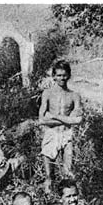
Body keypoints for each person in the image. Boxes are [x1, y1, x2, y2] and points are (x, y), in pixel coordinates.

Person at [39, 60, 83, 191]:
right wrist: (68, 120)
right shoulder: (47, 93)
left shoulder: (74, 95)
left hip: (66, 134)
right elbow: (42, 120)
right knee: (49, 177)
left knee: (67, 173)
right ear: (53, 76)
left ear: (69, 75)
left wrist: (54, 116)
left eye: (64, 75)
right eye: (58, 75)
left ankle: (67, 197)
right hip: (51, 133)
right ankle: (48, 198)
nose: (62, 78)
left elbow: (78, 120)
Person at [0, 17, 35, 88]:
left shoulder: (3, 34)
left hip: (24, 49)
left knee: (26, 73)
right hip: (21, 50)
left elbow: (21, 44)